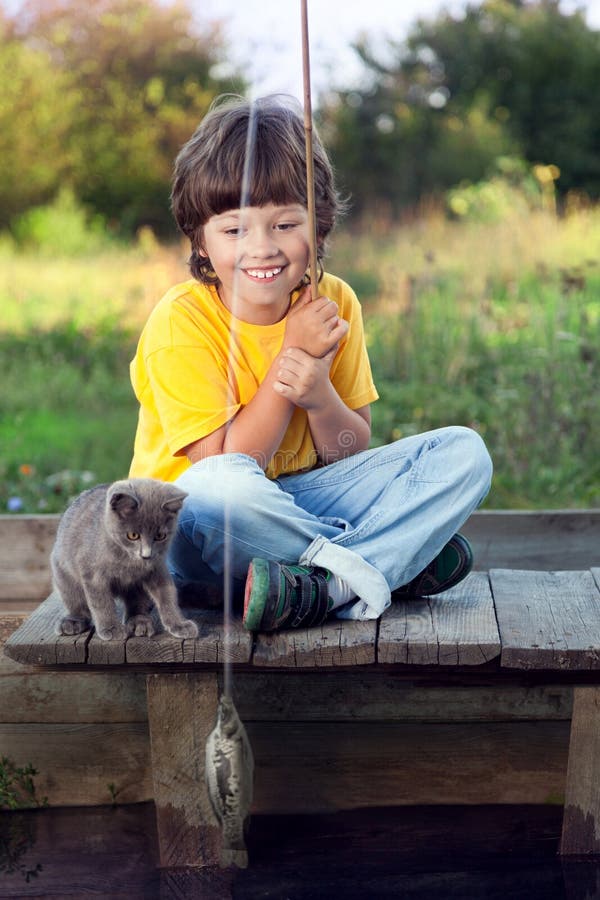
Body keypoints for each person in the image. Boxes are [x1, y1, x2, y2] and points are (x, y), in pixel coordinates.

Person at [129, 93, 493, 632]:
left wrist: (320, 396)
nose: (263, 248)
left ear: (318, 229)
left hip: (291, 506)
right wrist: (291, 357)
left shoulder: (334, 301)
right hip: (188, 535)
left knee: (464, 453)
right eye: (235, 230)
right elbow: (223, 466)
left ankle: (324, 585)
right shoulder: (181, 320)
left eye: (286, 224)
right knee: (218, 489)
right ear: (200, 243)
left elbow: (348, 450)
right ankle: (384, 564)